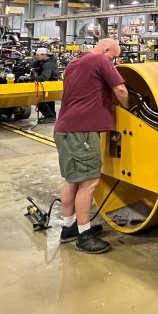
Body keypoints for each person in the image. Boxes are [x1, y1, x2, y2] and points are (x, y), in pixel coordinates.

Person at [53, 38, 128, 254]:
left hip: (65, 129)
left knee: (72, 180)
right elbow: (121, 91)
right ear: (105, 49)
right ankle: (84, 236)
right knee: (89, 182)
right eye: (114, 57)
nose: (114, 61)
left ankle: (70, 228)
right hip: (82, 132)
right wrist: (130, 110)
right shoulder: (100, 61)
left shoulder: (75, 63)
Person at [30, 47, 60, 120]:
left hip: (48, 84)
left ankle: (49, 115)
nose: (36, 57)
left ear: (44, 55)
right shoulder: (46, 61)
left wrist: (32, 79)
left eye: (38, 55)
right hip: (52, 84)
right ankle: (51, 115)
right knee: (49, 100)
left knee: (39, 100)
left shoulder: (48, 64)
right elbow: (32, 65)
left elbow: (45, 77)